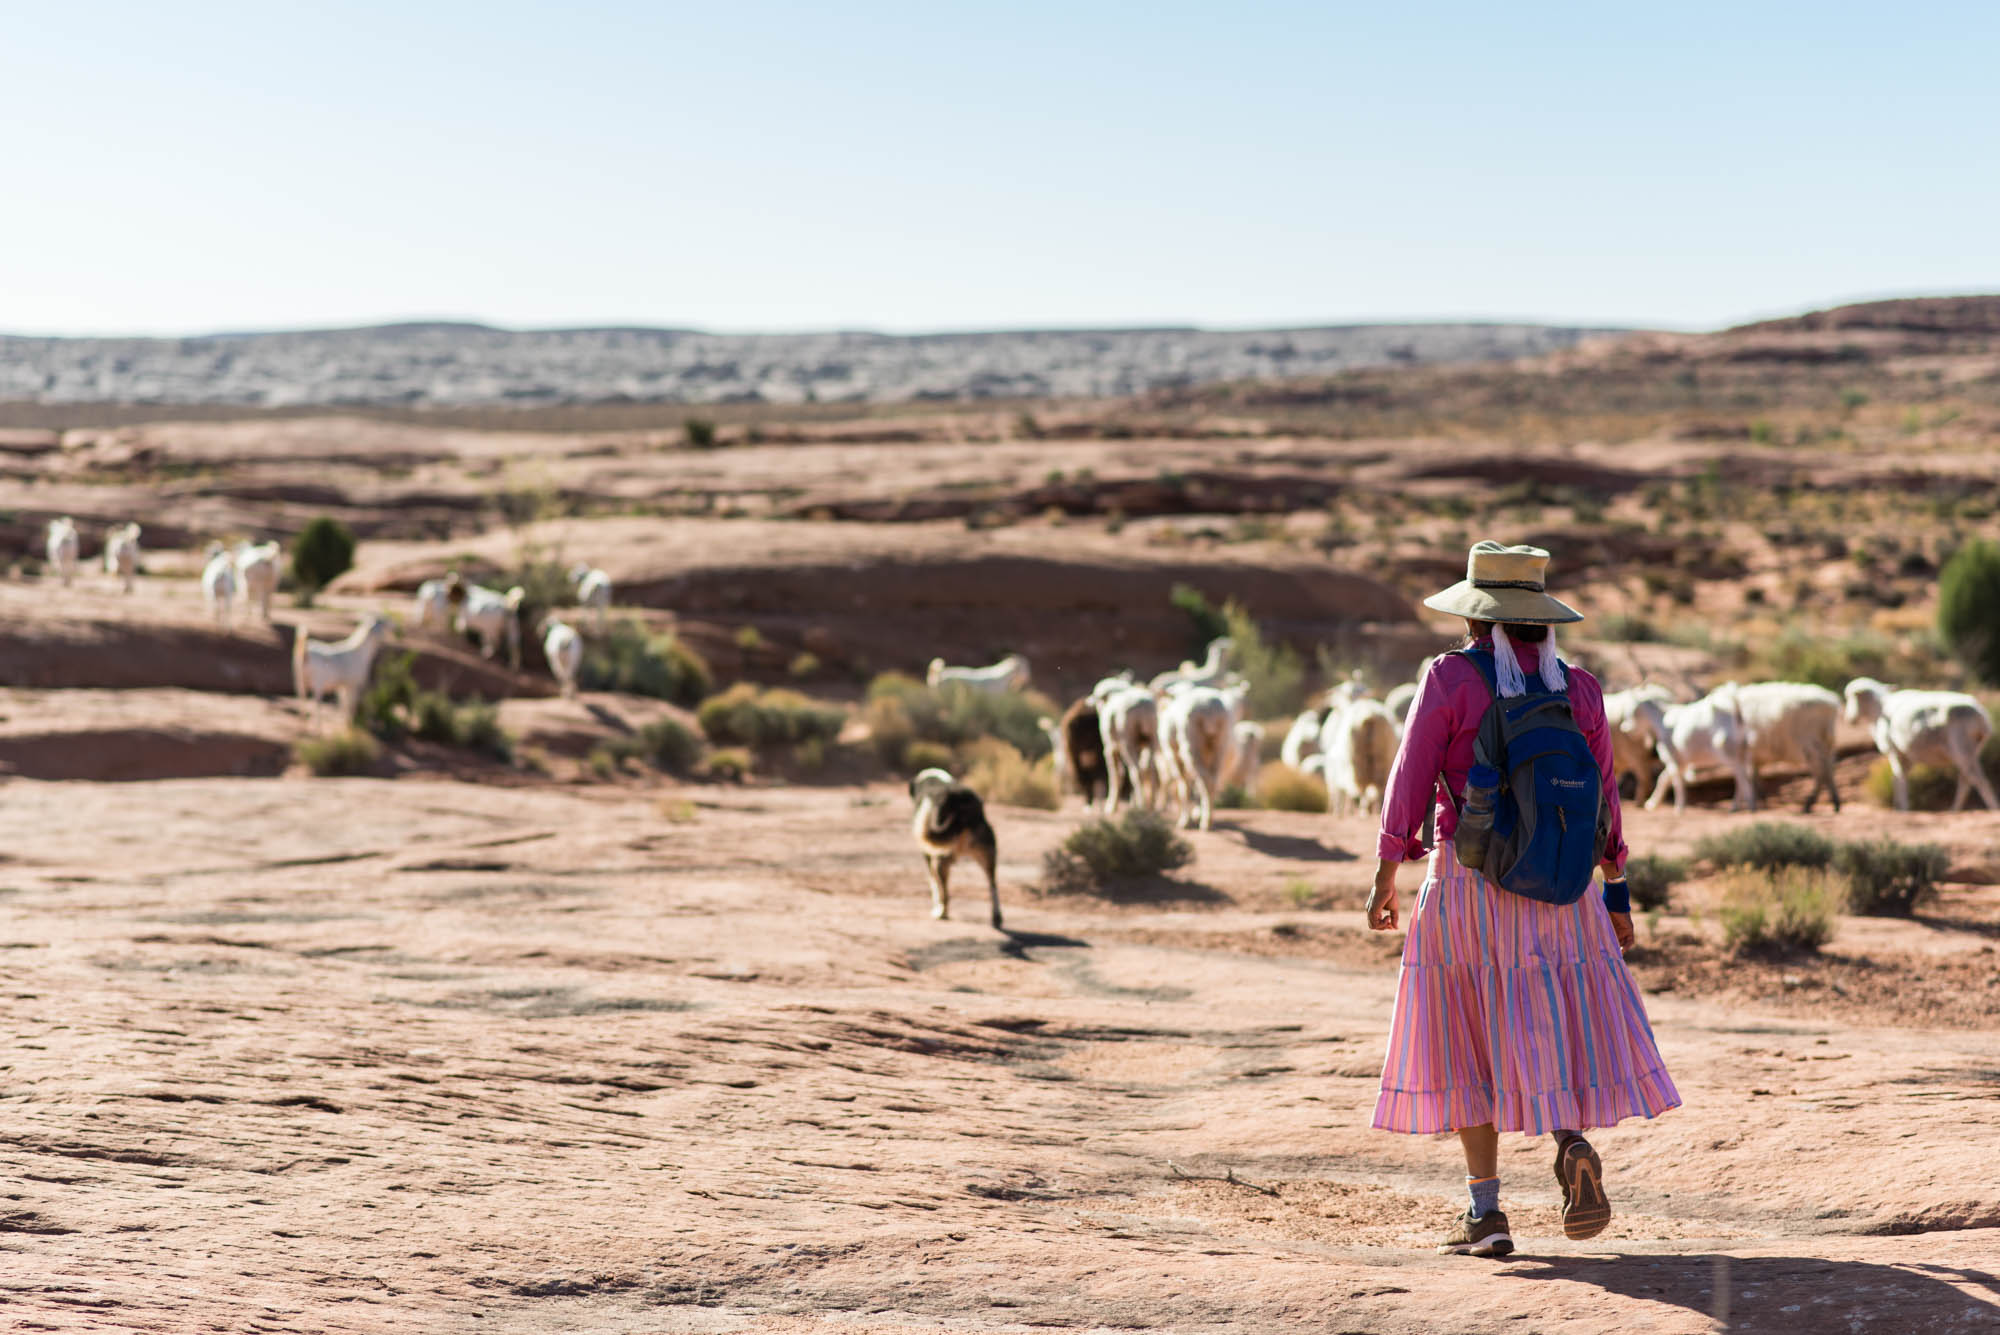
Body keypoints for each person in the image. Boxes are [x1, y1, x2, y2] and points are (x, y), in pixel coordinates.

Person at [1365, 541, 1680, 1258]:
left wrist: (1388, 869)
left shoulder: (1450, 676)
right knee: (1546, 1017)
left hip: (1473, 881)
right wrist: (1617, 887)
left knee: (1468, 1038)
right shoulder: (1581, 687)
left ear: (1479, 618)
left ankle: (1487, 1213)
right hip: (1563, 891)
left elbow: (1411, 774)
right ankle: (1569, 1139)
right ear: (1541, 619)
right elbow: (1604, 798)